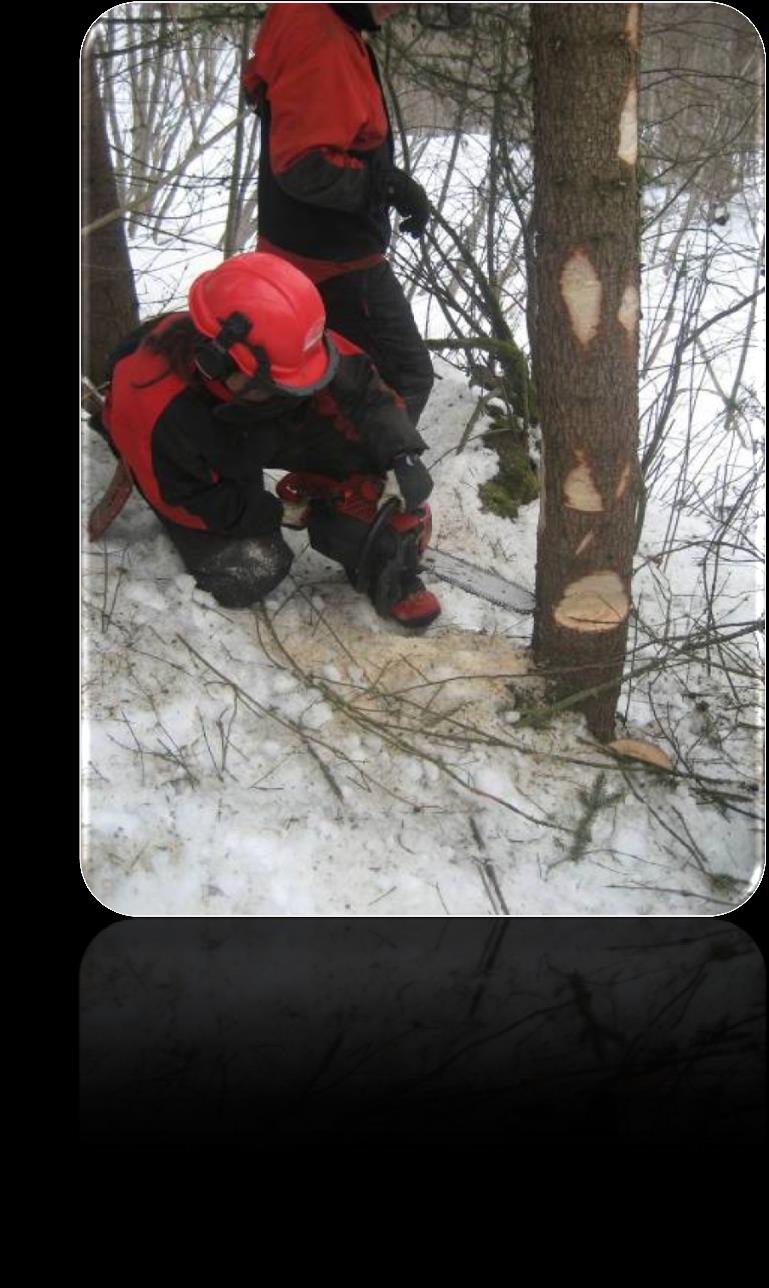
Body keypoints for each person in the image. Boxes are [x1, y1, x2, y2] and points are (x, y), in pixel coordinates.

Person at [93, 251, 442, 628]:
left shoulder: (284, 339)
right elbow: (186, 497)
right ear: (218, 361)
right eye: (277, 385)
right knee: (253, 568)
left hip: (246, 410)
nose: (293, 393)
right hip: (188, 448)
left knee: (366, 443)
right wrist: (271, 511)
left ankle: (381, 563)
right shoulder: (155, 407)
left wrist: (402, 452)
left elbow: (363, 389)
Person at [242, 3, 435, 427]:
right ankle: (351, 488)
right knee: (403, 377)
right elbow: (303, 166)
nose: (398, 9)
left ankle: (327, 481)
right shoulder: (322, 39)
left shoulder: (310, 15)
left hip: (299, 248)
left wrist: (391, 186)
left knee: (331, 379)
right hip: (332, 261)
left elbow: (265, 87)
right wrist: (384, 187)